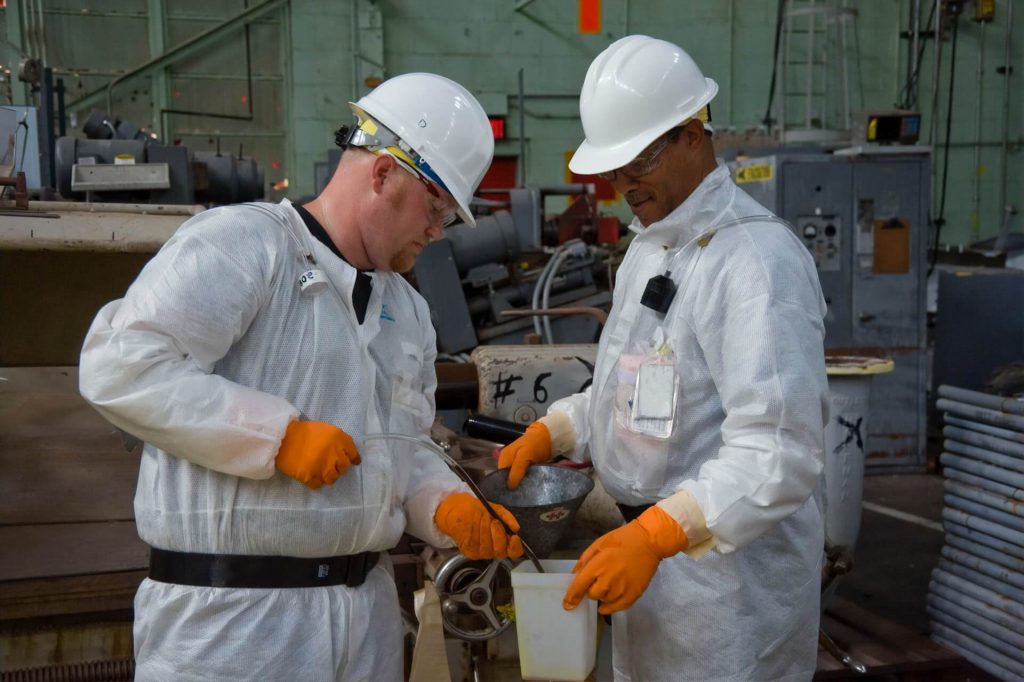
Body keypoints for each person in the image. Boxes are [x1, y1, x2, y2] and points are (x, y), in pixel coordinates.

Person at [79, 72, 523, 682]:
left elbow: (404, 448)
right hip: (232, 629)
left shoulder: (408, 312)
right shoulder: (245, 247)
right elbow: (121, 366)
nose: (437, 230)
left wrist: (442, 504)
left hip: (364, 621)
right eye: (437, 206)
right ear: (384, 172)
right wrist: (277, 437)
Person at [499, 35, 829, 681]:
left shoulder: (756, 263)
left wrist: (656, 535)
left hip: (728, 590)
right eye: (613, 171)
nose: (623, 186)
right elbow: (637, 388)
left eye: (638, 163)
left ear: (692, 133)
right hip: (656, 571)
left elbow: (780, 451)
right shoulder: (653, 249)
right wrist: (559, 428)